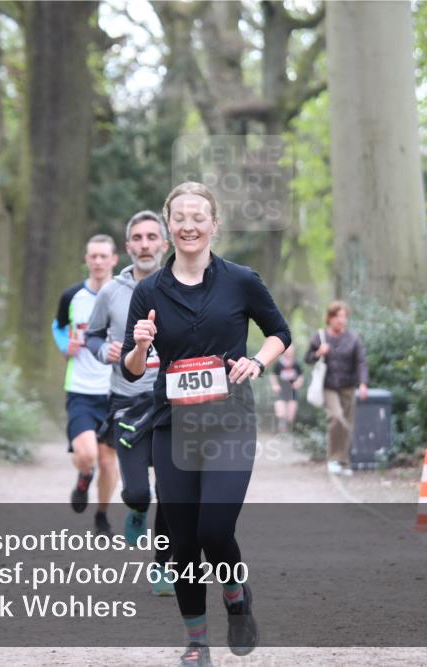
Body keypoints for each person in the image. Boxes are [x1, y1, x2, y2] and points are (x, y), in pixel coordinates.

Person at [121, 182, 291, 667]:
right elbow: (131, 369)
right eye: (180, 217)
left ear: (214, 224)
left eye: (199, 217)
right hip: (172, 427)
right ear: (168, 223)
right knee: (182, 543)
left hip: (229, 421)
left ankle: (236, 595)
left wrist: (257, 363)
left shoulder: (240, 281)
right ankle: (197, 643)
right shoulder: (149, 290)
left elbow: (280, 332)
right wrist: (139, 343)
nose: (189, 225)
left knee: (215, 531)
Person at [84, 210, 174, 596]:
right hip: (127, 401)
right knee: (138, 492)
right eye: (137, 238)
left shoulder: (181, 286)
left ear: (164, 244)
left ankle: (162, 567)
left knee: (171, 491)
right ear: (127, 247)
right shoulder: (112, 292)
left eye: (152, 237)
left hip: (171, 400)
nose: (145, 245)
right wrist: (104, 350)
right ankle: (137, 509)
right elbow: (92, 335)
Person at [51, 234, 120, 536]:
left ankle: (102, 515)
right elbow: (58, 326)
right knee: (88, 455)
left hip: (116, 390)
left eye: (104, 256)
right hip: (80, 388)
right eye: (93, 256)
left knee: (108, 461)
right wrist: (66, 344)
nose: (99, 261)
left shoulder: (125, 294)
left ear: (114, 259)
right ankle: (83, 477)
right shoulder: (71, 296)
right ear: (86, 260)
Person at [304, 301, 369, 476]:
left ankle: (343, 462)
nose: (342, 320)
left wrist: (363, 383)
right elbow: (307, 358)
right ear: (330, 318)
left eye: (344, 316)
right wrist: (318, 353)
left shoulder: (353, 338)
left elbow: (361, 362)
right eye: (338, 316)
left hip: (348, 385)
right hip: (329, 385)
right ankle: (333, 459)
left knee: (347, 423)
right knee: (336, 417)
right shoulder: (320, 337)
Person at [268, 345, 304, 433]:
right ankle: (281, 428)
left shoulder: (296, 363)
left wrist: (298, 383)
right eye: (287, 351)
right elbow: (272, 375)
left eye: (290, 351)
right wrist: (275, 385)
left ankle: (289, 430)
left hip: (292, 392)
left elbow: (301, 376)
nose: (288, 353)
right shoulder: (279, 364)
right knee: (281, 411)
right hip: (281, 391)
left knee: (291, 413)